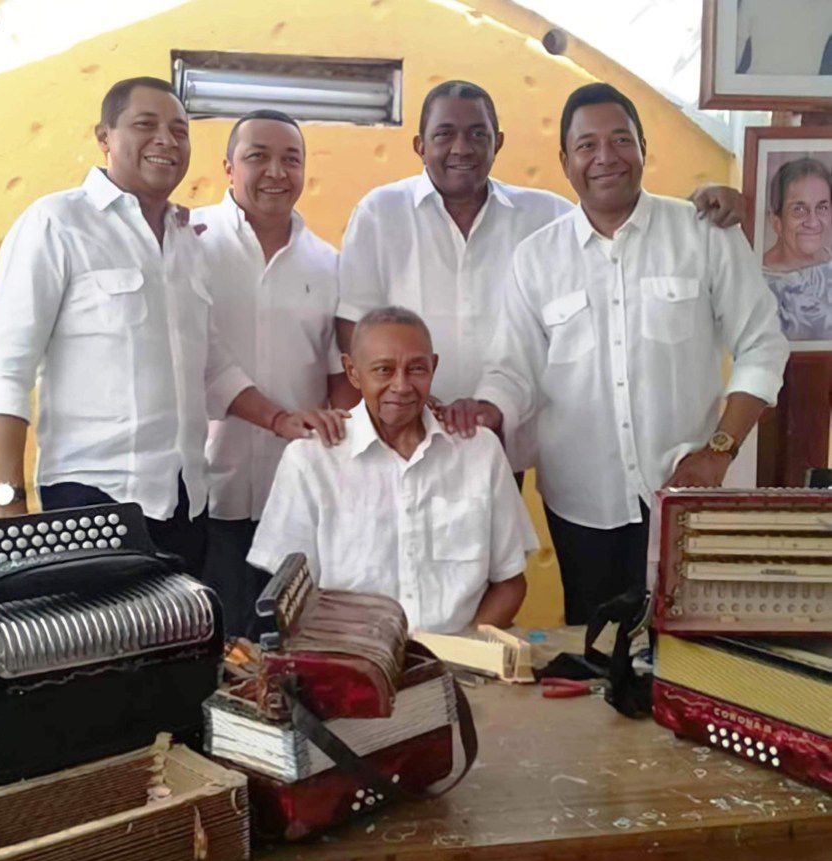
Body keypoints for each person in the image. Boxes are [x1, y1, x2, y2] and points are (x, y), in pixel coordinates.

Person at [442, 82, 790, 629]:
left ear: (643, 146)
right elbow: (514, 368)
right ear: (564, 160)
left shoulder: (704, 235)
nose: (605, 157)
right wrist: (489, 409)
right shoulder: (536, 259)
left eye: (620, 139)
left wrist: (719, 450)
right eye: (586, 145)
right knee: (598, 652)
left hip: (689, 492)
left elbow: (762, 346)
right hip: (582, 504)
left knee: (695, 645)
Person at [0, 77, 346, 578]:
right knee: (99, 647)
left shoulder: (186, 240)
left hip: (185, 501)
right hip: (92, 498)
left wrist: (279, 420)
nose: (166, 140)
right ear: (104, 136)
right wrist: (7, 502)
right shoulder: (57, 223)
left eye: (179, 129)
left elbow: (211, 366)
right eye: (145, 125)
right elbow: (5, 368)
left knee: (180, 648)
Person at [336, 80, 747, 460]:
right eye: (444, 134)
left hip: (500, 436)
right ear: (419, 145)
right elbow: (354, 326)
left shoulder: (545, 215)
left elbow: (618, 239)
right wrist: (408, 402)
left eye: (478, 134)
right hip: (403, 432)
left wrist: (698, 206)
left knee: (491, 541)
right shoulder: (380, 212)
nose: (462, 147)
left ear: (498, 142)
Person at [247, 306, 536, 634]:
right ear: (352, 372)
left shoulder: (479, 451)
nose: (401, 386)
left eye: (416, 369)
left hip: (460, 662)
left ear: (433, 367)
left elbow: (510, 583)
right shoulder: (311, 460)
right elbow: (290, 600)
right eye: (384, 370)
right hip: (351, 667)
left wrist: (463, 654)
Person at [191, 109, 356, 631]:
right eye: (257, 156)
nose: (275, 172)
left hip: (295, 492)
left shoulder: (328, 263)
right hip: (204, 489)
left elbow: (339, 376)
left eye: (291, 159)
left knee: (284, 645)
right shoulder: (189, 243)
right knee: (205, 643)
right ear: (228, 167)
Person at [762, 157, 832, 342]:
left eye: (822, 207)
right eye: (799, 209)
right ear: (776, 221)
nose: (813, 222)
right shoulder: (756, 281)